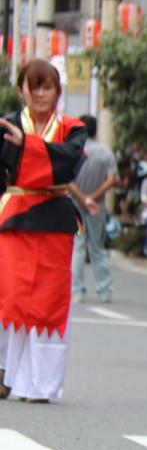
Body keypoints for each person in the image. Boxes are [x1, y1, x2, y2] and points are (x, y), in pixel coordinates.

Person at [0, 59, 89, 402]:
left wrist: (27, 145)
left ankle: (41, 385)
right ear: (21, 89)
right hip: (12, 218)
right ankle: (7, 373)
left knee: (48, 300)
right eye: (33, 86)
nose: (39, 94)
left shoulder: (72, 128)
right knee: (11, 296)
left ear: (57, 91)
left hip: (54, 219)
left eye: (47, 86)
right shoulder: (6, 125)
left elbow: (68, 161)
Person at [70, 114, 116, 304]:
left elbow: (67, 180)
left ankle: (77, 291)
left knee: (78, 247)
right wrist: (92, 198)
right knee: (98, 247)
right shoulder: (106, 153)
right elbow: (111, 180)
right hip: (98, 205)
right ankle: (104, 291)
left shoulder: (74, 151)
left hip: (74, 204)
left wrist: (82, 198)